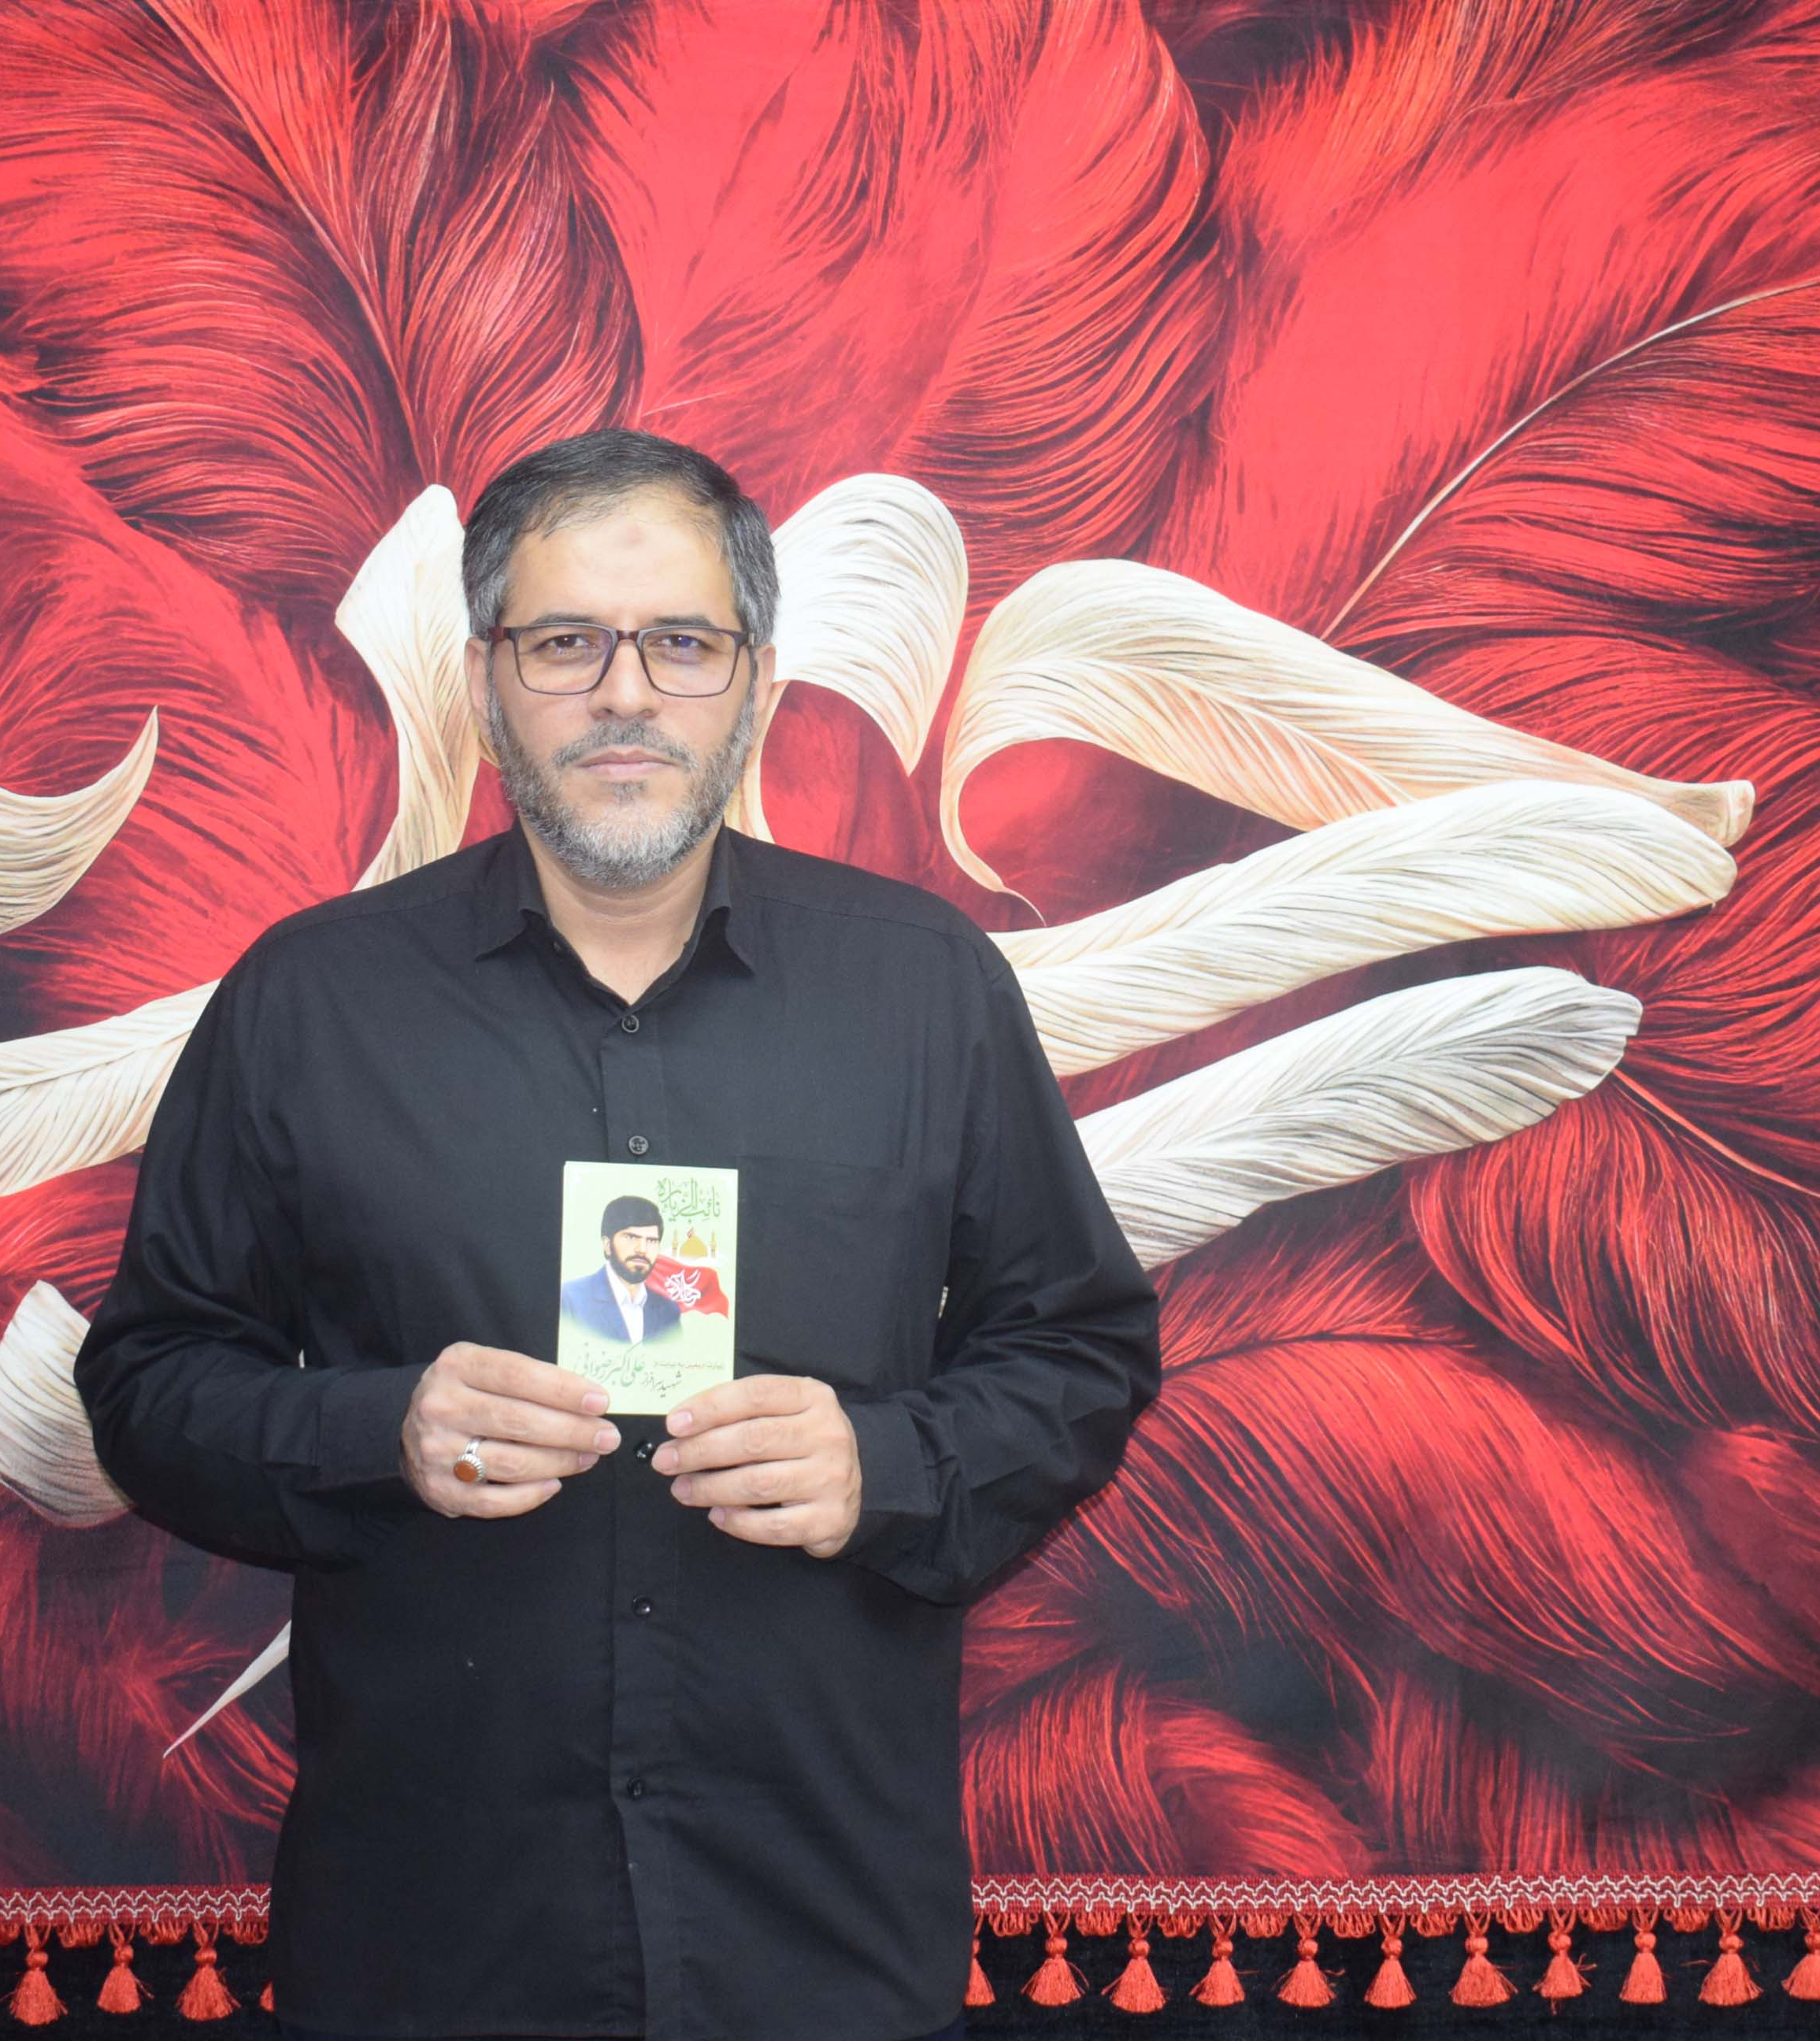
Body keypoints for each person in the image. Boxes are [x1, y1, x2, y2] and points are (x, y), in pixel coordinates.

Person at [72, 427, 1159, 2041]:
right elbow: (148, 1383)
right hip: (433, 1947)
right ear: (485, 679)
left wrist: (889, 1462)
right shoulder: (309, 1001)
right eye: (566, 642)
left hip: (820, 1938)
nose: (626, 694)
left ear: (757, 681)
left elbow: (1079, 1347)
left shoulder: (926, 990)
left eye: (682, 643)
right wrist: (379, 1430)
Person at [563, 1195, 684, 1345]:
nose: (642, 1249)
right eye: (631, 1237)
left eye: (652, 1241)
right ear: (607, 1245)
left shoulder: (669, 1312)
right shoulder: (571, 1300)